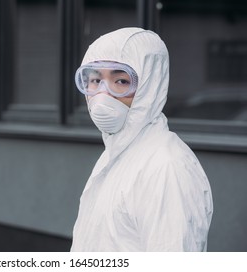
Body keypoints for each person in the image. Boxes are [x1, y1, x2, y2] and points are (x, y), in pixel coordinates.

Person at [70, 27, 213, 252]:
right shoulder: (116, 154)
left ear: (149, 85)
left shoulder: (166, 167)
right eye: (96, 80)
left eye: (121, 81)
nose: (102, 95)